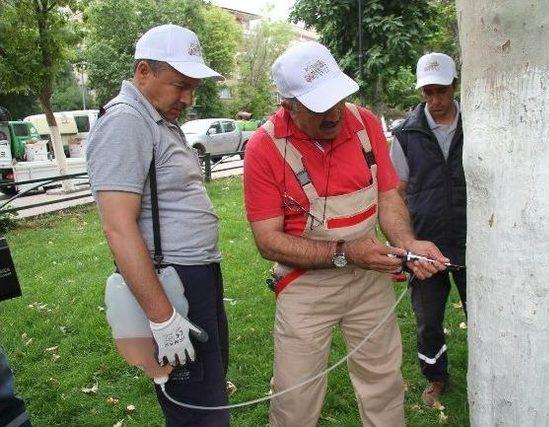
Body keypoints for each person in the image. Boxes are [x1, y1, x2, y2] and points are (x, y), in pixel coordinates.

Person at [243, 41, 448, 427]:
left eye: (338, 97)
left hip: (370, 278)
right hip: (305, 287)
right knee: (294, 395)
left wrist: (407, 242)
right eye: (320, 105)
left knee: (383, 384)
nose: (335, 112)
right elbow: (267, 241)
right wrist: (346, 252)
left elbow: (388, 194)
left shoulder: (365, 122)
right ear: (289, 105)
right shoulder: (264, 148)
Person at [87, 24, 229, 426]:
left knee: (206, 393)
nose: (187, 98)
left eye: (193, 87)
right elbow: (118, 227)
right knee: (198, 412)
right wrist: (163, 317)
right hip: (171, 282)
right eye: (179, 85)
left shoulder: (155, 116)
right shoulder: (126, 121)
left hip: (191, 277)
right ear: (144, 72)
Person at [389, 52, 467, 407]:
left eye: (441, 91)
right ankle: (435, 377)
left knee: (483, 311)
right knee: (428, 321)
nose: (435, 100)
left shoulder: (478, 124)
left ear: (455, 85)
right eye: (427, 92)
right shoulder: (406, 134)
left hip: (474, 241)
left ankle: (489, 366)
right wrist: (406, 247)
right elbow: (396, 193)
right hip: (426, 244)